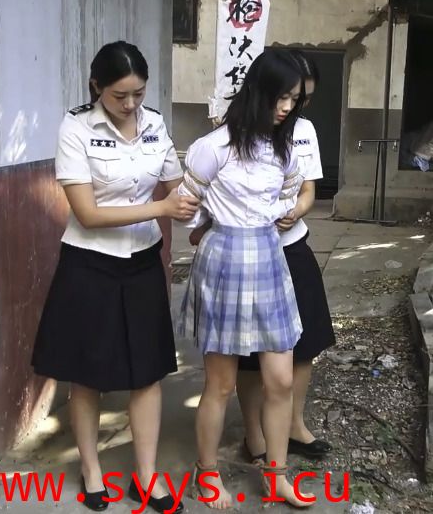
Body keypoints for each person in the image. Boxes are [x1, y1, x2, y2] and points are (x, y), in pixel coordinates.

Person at [32, 41, 198, 513]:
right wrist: (162, 208)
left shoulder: (155, 124)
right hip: (89, 265)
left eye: (138, 94)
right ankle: (91, 471)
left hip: (142, 262)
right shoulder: (76, 128)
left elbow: (177, 186)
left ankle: (145, 478)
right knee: (88, 375)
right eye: (119, 95)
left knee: (148, 373)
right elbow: (87, 214)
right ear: (96, 87)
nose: (130, 104)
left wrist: (197, 198)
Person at [178, 48, 314, 509]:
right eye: (280, 97)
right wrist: (204, 223)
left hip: (269, 259)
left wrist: (283, 212)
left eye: (294, 100)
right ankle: (207, 473)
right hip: (224, 262)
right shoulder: (213, 147)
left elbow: (293, 191)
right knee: (219, 384)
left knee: (280, 380)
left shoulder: (282, 147)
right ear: (257, 91)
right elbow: (186, 205)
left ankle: (276, 476)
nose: (287, 108)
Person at [235, 50, 336, 464]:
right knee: (248, 353)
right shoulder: (235, 131)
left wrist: (296, 210)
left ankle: (294, 423)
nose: (292, 106)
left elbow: (309, 188)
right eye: (289, 96)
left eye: (299, 99)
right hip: (249, 254)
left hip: (292, 247)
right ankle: (254, 434)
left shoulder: (304, 130)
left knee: (305, 342)